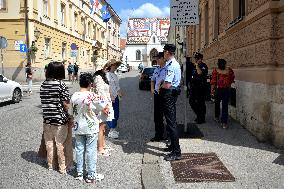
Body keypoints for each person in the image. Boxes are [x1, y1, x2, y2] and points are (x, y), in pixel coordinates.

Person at [70, 73, 106, 183]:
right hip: (90, 127)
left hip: (78, 126)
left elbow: (72, 112)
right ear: (90, 84)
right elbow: (103, 105)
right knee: (91, 151)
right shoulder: (92, 95)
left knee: (79, 149)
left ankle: (79, 173)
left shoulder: (74, 96)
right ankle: (91, 175)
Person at [39, 62, 71, 174]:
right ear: (60, 71)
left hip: (47, 118)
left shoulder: (43, 84)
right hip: (60, 120)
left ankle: (51, 165)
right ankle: (63, 168)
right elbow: (66, 104)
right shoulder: (61, 84)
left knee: (49, 143)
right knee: (60, 143)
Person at [160, 44, 182, 161]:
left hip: (169, 94)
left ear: (168, 52)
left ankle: (176, 152)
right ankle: (173, 147)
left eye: (164, 52)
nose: (163, 53)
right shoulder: (174, 63)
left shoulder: (171, 65)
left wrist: (160, 86)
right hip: (172, 93)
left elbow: (167, 84)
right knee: (170, 122)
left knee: (171, 123)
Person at [93, 69, 114, 156]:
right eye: (105, 68)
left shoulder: (102, 77)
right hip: (103, 106)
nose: (107, 69)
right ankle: (100, 148)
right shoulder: (98, 77)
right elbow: (100, 93)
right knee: (101, 127)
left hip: (106, 104)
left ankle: (103, 145)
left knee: (103, 126)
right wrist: (104, 106)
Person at [210, 59, 235, 129]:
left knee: (219, 104)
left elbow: (213, 81)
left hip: (219, 89)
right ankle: (223, 122)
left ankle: (219, 118)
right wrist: (229, 84)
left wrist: (212, 90)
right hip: (225, 89)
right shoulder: (229, 70)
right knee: (224, 105)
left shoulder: (216, 71)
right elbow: (232, 78)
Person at [150, 52, 167, 142]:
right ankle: (158, 135)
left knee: (167, 116)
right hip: (157, 95)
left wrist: (161, 86)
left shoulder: (167, 69)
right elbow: (152, 80)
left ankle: (167, 135)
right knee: (157, 116)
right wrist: (152, 89)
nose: (157, 60)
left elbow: (167, 82)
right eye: (156, 58)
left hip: (164, 95)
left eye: (158, 58)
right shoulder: (156, 69)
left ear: (163, 59)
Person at [189, 52, 208, 124]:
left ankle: (201, 118)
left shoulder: (203, 66)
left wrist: (197, 66)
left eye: (197, 58)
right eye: (195, 58)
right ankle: (199, 115)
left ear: (201, 59)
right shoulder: (195, 66)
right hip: (194, 87)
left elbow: (200, 73)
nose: (195, 60)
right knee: (191, 101)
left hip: (201, 88)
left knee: (201, 103)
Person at [105, 59, 123, 139]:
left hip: (115, 97)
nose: (116, 66)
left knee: (116, 113)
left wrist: (119, 92)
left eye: (116, 65)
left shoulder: (114, 75)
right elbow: (106, 87)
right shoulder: (106, 75)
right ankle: (110, 131)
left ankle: (113, 128)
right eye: (115, 65)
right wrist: (110, 95)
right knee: (110, 114)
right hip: (110, 98)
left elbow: (117, 86)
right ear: (111, 65)